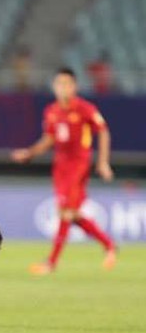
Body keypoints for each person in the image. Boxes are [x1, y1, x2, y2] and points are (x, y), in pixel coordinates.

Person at [11, 67, 117, 274]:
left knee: (66, 213)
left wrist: (103, 162)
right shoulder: (52, 111)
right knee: (71, 214)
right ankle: (110, 246)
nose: (62, 88)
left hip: (79, 165)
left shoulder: (85, 108)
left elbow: (103, 131)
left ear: (74, 86)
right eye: (59, 84)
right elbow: (49, 138)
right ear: (54, 86)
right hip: (60, 166)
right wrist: (30, 153)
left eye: (67, 84)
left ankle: (51, 263)